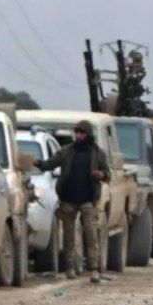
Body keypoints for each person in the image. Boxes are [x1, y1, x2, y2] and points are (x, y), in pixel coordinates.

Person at [34, 120, 110, 282]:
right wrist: (38, 163)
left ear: (88, 135)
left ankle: (94, 269)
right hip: (68, 199)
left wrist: (102, 175)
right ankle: (70, 268)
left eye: (82, 133)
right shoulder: (67, 151)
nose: (79, 136)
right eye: (77, 132)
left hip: (88, 199)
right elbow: (50, 163)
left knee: (91, 234)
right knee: (68, 236)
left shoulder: (97, 153)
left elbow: (107, 173)